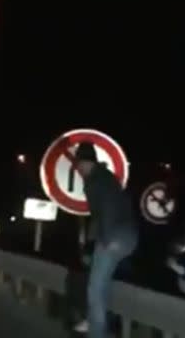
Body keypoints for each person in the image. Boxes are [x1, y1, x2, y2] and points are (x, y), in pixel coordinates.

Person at [74, 142, 139, 338]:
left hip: (114, 236)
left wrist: (105, 239)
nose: (78, 171)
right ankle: (96, 323)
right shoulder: (107, 177)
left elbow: (104, 211)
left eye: (78, 166)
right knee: (100, 286)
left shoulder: (94, 181)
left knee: (95, 289)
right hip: (129, 237)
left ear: (85, 163)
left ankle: (96, 332)